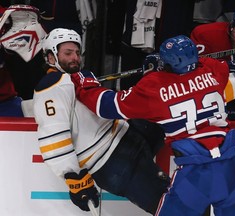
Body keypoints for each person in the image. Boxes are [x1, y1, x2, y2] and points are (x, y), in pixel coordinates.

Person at [71, 35, 235, 215]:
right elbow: (212, 65)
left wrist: (85, 84)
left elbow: (107, 106)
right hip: (231, 167)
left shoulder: (154, 87)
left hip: (196, 174)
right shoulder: (214, 71)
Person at [32, 28, 170, 214]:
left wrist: (156, 78)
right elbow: (53, 137)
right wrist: (74, 178)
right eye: (68, 53)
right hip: (114, 163)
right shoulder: (52, 86)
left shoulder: (73, 80)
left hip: (128, 138)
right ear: (51, 57)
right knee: (172, 206)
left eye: (77, 53)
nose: (75, 58)